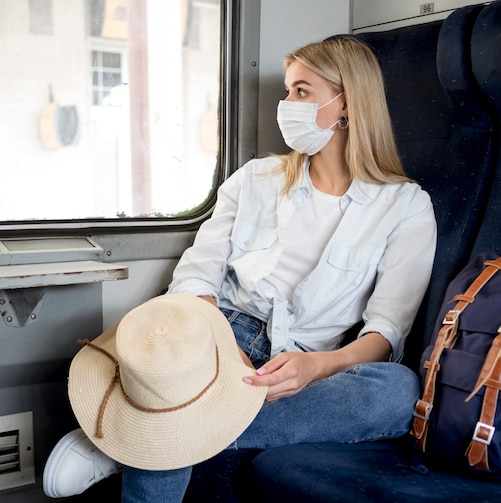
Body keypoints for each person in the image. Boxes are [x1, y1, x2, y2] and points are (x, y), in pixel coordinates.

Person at [43, 36, 437, 502]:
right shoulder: (254, 179)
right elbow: (196, 279)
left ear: (346, 103)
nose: (286, 104)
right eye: (287, 91)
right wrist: (221, 350)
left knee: (396, 390)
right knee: (170, 360)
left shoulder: (406, 206)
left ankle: (135, 437)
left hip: (311, 357)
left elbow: (386, 332)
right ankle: (155, 433)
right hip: (222, 333)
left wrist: (315, 366)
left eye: (302, 92)